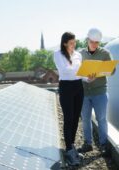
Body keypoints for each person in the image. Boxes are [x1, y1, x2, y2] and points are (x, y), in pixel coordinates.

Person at [78, 28, 113, 156]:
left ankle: (103, 145)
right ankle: (88, 144)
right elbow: (76, 71)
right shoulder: (80, 54)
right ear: (87, 39)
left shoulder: (105, 53)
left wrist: (99, 73)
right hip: (84, 93)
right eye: (92, 41)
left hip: (100, 93)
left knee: (102, 119)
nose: (94, 44)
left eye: (97, 42)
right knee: (86, 119)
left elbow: (112, 71)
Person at [54, 32, 84, 166]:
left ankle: (71, 146)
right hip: (66, 87)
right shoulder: (58, 54)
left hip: (79, 86)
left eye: (75, 42)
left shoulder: (78, 55)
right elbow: (64, 70)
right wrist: (79, 70)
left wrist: (90, 77)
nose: (74, 44)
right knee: (69, 117)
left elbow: (82, 74)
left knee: (76, 117)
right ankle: (69, 149)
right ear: (65, 43)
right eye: (71, 42)